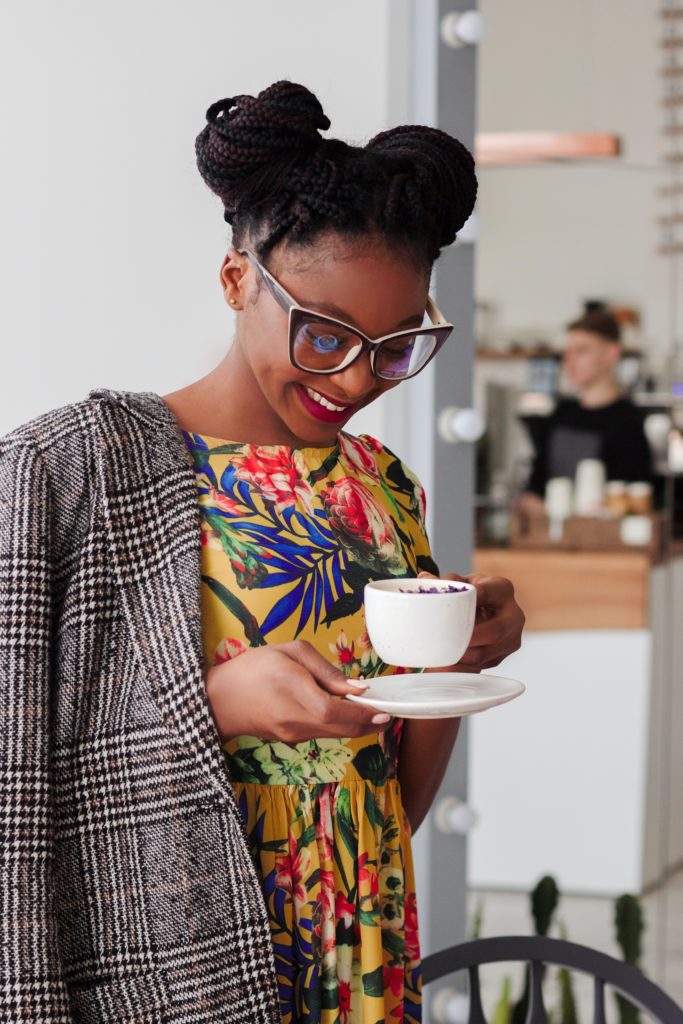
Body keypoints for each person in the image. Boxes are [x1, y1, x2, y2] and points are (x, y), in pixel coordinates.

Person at [0, 81, 524, 1024]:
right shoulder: (73, 470)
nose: (357, 378)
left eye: (397, 344)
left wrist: (455, 653)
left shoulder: (380, 483)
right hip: (179, 949)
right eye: (324, 333)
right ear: (238, 278)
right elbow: (16, 754)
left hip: (362, 932)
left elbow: (392, 780)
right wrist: (215, 706)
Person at [522, 309, 653, 505]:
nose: (569, 361)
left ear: (611, 353)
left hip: (599, 532)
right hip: (549, 530)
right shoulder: (562, 412)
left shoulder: (627, 420)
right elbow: (539, 476)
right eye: (567, 352)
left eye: (581, 351)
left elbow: (632, 495)